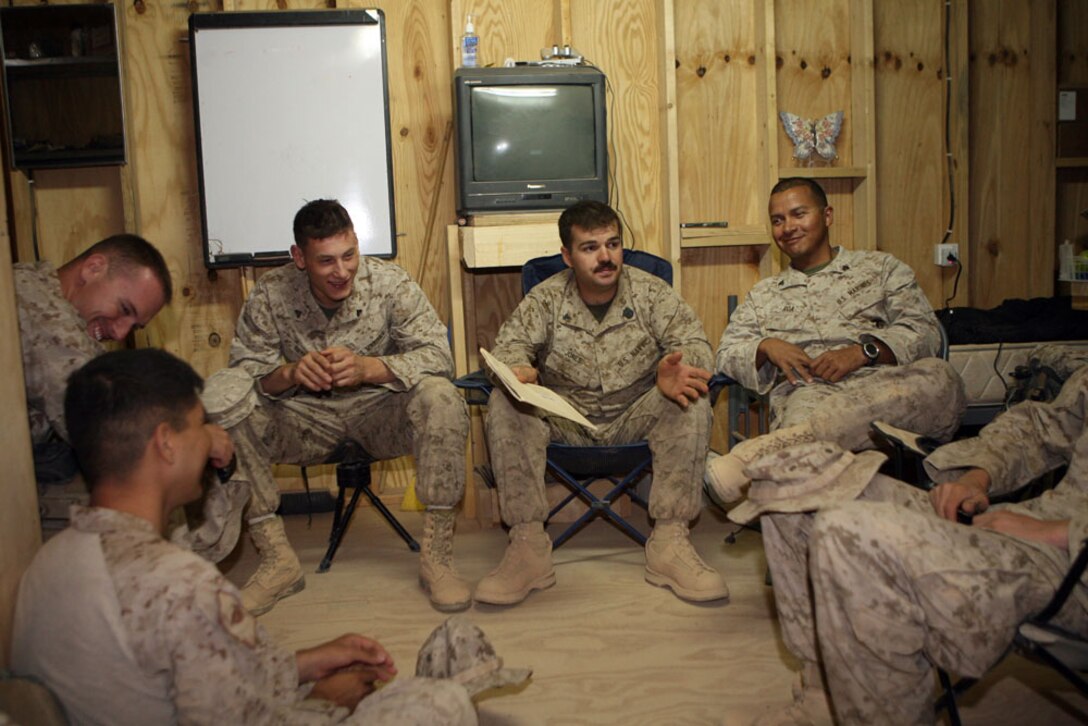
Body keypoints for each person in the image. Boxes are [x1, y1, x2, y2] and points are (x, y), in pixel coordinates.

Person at [11, 349, 477, 725]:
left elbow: (185, 675)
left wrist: (302, 663)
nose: (213, 437)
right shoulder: (183, 584)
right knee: (443, 703)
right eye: (200, 424)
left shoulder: (48, 563)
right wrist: (326, 701)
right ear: (165, 442)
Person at [474, 200, 729, 606]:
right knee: (505, 403)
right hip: (566, 422)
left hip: (635, 417)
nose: (606, 256)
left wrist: (678, 368)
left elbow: (695, 345)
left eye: (613, 244)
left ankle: (670, 543)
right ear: (567, 256)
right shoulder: (546, 299)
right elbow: (508, 350)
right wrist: (517, 371)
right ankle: (527, 548)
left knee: (689, 397)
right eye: (590, 247)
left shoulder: (650, 292)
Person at [802, 365, 1088, 724]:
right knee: (803, 486)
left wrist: (1058, 532)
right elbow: (1042, 427)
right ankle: (819, 696)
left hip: (1073, 563)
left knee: (848, 533)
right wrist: (977, 475)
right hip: (1035, 525)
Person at [223, 199, 470, 614]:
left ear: (357, 243)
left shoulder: (390, 283)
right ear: (299, 257)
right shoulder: (270, 293)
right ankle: (278, 561)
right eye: (326, 261)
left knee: (442, 398)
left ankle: (438, 558)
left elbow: (438, 356)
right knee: (233, 408)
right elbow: (243, 372)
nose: (341, 272)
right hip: (306, 419)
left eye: (349, 255)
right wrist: (290, 374)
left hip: (379, 415)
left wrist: (371, 368)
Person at [707, 177, 965, 501]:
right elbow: (726, 356)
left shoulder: (880, 269)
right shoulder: (763, 296)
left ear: (827, 215)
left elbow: (926, 334)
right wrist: (766, 347)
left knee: (943, 379)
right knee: (801, 454)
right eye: (778, 220)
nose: (788, 227)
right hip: (810, 394)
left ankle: (771, 452)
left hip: (885, 391)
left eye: (799, 214)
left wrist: (864, 352)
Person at [14, 233, 173, 480]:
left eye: (134, 326)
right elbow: (109, 429)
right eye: (124, 309)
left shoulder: (51, 303)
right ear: (93, 268)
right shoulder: (37, 308)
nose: (120, 333)